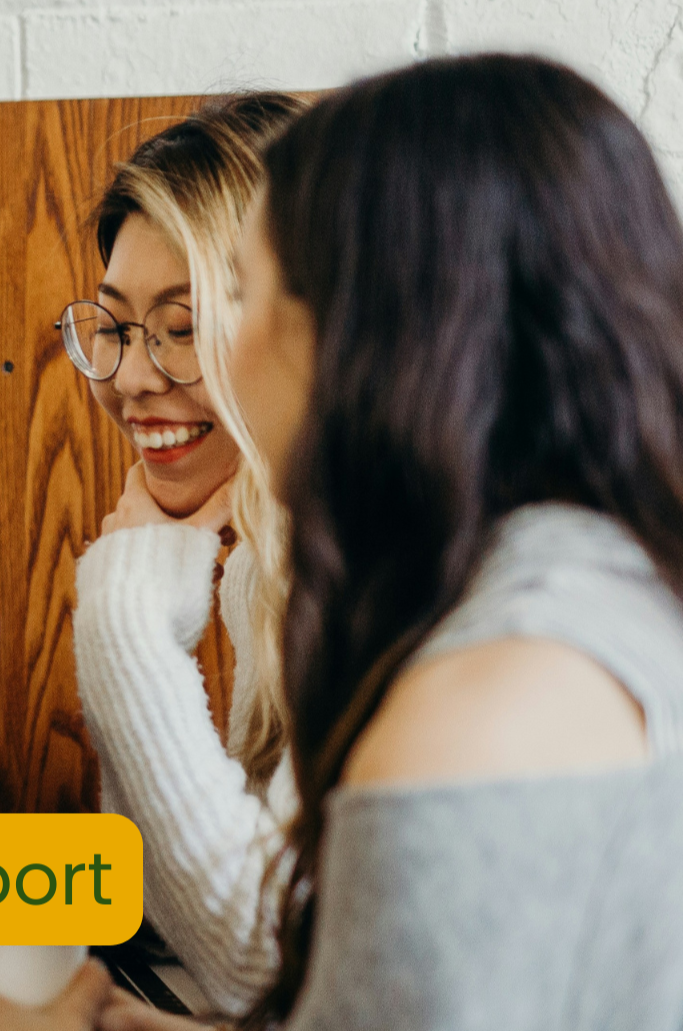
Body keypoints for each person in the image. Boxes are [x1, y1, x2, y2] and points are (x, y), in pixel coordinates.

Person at [232, 53, 683, 1030]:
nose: (228, 348)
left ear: (354, 335)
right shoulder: (625, 593)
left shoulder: (481, 712)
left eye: (241, 290)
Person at [0, 93, 307, 1027]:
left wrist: (126, 613)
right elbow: (202, 917)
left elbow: (261, 958)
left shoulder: (387, 567)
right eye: (119, 326)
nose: (130, 376)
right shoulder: (271, 561)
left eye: (183, 324)